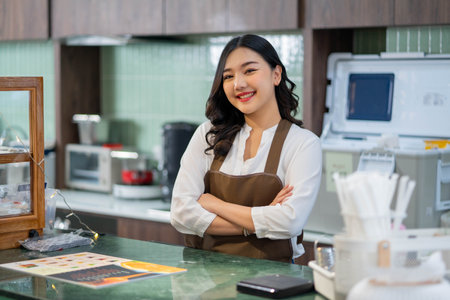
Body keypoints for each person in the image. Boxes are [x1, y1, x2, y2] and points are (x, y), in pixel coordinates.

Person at [170, 34, 322, 262]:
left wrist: (215, 204)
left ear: (276, 74)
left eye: (249, 71)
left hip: (273, 281)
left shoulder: (303, 143)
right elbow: (181, 213)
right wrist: (256, 222)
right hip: (205, 281)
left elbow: (289, 221)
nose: (238, 84)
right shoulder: (208, 135)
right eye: (228, 76)